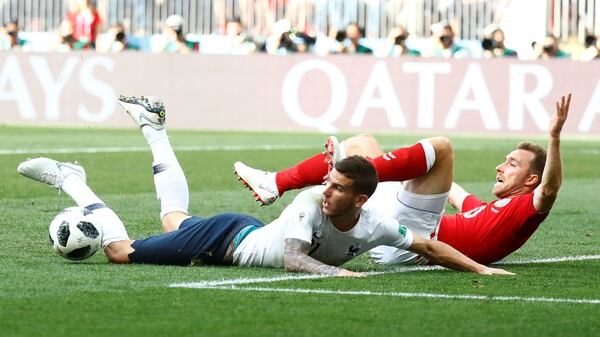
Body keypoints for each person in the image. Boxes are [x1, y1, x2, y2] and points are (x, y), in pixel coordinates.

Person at [17, 96, 512, 277]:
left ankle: (153, 128)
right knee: (121, 253)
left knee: (174, 220)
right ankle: (75, 182)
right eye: (330, 179)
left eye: (338, 186)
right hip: (227, 239)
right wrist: (339, 276)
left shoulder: (375, 221)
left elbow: (427, 245)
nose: (327, 187)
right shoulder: (309, 202)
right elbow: (297, 260)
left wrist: (481, 272)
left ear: (361, 200)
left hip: (242, 239)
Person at [234, 94, 572, 265]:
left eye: (511, 164)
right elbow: (455, 193)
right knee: (363, 144)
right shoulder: (489, 210)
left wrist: (554, 137)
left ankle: (346, 172)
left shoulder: (527, 207)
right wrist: (402, 165)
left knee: (442, 148)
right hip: (410, 227)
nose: (500, 167)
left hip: (421, 237)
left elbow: (552, 187)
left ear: (530, 181)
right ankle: (277, 181)